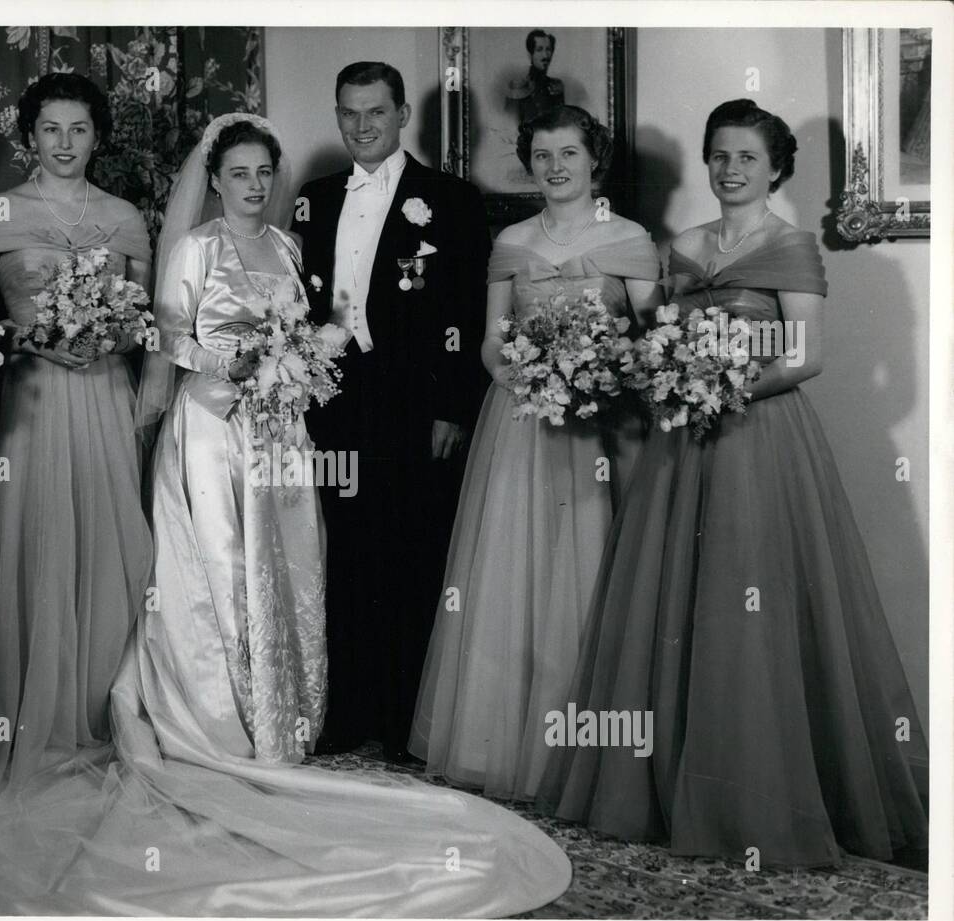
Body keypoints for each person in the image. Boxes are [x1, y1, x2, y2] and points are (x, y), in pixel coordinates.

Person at [0, 114, 572, 918]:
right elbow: (170, 339)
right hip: (208, 426)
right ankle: (213, 719)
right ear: (215, 180)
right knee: (218, 566)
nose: (251, 186)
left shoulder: (287, 249)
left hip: (279, 428)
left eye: (261, 175)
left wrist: (302, 357)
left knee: (287, 566)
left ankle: (280, 715)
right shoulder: (195, 248)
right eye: (236, 174)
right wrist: (237, 362)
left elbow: (319, 326)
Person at [536, 99, 928, 867]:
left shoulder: (791, 245)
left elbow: (808, 356)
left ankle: (755, 795)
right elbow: (658, 338)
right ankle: (673, 785)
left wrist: (723, 386)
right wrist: (673, 378)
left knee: (751, 604)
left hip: (760, 439)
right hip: (683, 444)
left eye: (746, 157)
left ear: (775, 167)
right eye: (718, 155)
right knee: (677, 598)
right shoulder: (681, 246)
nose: (729, 169)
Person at [410, 106, 662, 801]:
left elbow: (652, 339)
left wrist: (597, 373)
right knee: (513, 577)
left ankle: (583, 758)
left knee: (586, 573)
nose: (555, 167)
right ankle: (506, 745)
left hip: (601, 431)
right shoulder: (512, 242)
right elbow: (492, 338)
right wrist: (522, 374)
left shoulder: (630, 239)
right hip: (521, 422)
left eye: (569, 154)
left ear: (594, 160)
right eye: (543, 155)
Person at [0, 73, 154, 790]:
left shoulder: (126, 216)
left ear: (98, 136)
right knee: (38, 544)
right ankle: (34, 717)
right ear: (29, 136)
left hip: (105, 396)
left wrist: (109, 336)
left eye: (79, 130)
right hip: (32, 400)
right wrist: (33, 338)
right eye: (51, 130)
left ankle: (105, 711)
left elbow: (144, 324)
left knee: (107, 546)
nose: (65, 144)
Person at [294, 61, 490, 761]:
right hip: (336, 399)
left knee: (413, 551)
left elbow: (466, 309)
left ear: (403, 114)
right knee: (344, 550)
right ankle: (349, 711)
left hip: (414, 399)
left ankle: (407, 720)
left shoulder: (451, 199)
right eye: (349, 113)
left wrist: (451, 408)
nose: (362, 126)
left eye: (376, 112)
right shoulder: (313, 198)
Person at [511, 30, 566, 129]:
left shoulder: (556, 87)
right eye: (539, 49)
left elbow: (561, 126)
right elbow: (508, 128)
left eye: (548, 49)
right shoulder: (518, 87)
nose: (545, 56)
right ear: (530, 54)